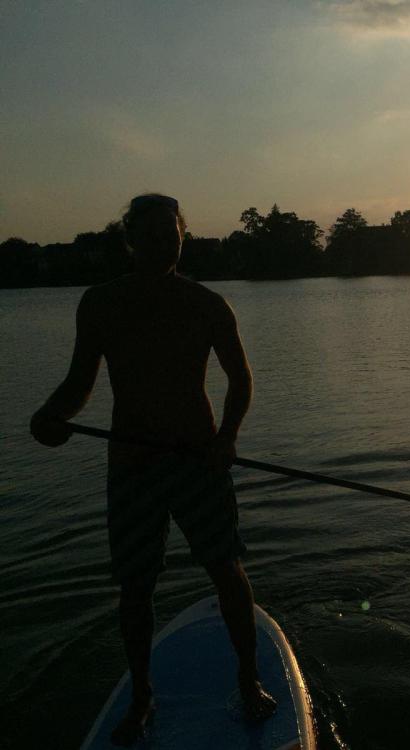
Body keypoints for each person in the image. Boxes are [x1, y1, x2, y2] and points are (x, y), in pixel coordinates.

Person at [30, 194, 277, 746]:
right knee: (136, 587)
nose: (166, 243)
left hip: (197, 461)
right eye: (153, 234)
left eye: (174, 233)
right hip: (133, 467)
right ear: (131, 240)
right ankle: (141, 694)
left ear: (182, 237)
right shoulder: (98, 303)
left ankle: (249, 676)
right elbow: (78, 385)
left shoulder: (209, 305)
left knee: (226, 570)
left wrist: (228, 438)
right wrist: (52, 415)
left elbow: (240, 381)